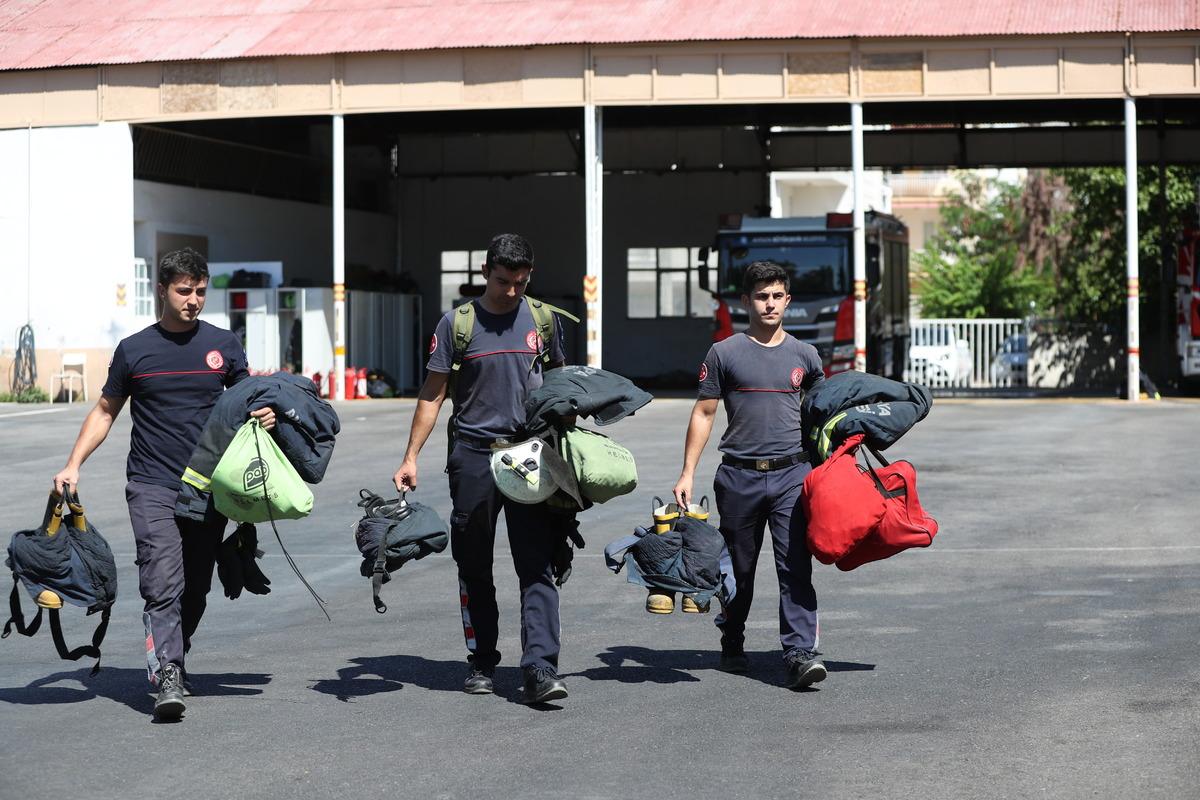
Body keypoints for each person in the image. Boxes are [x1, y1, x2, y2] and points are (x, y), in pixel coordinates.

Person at [52, 248, 274, 720]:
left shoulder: (223, 345)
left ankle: (175, 652)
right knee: (162, 579)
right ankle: (167, 672)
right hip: (151, 482)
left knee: (195, 587)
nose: (193, 300)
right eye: (183, 290)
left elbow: (246, 401)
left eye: (200, 291)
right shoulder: (135, 349)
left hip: (207, 486)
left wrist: (266, 412)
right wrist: (74, 464)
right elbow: (106, 410)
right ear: (162, 290)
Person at [393, 233, 571, 704]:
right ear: (486, 272)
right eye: (502, 281)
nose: (511, 291)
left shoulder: (543, 319)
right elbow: (433, 394)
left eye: (520, 281)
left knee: (537, 564)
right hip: (473, 457)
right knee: (474, 563)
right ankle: (482, 660)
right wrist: (411, 456)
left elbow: (559, 385)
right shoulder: (458, 324)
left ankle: (539, 668)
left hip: (530, 456)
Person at [671, 260, 828, 690]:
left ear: (788, 301)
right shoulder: (724, 353)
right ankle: (732, 637)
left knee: (795, 566)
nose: (770, 303)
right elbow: (704, 413)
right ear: (746, 301)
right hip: (738, 477)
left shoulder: (806, 356)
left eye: (777, 295)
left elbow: (823, 418)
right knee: (738, 569)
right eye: (761, 296)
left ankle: (799, 653)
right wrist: (688, 473)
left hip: (791, 476)